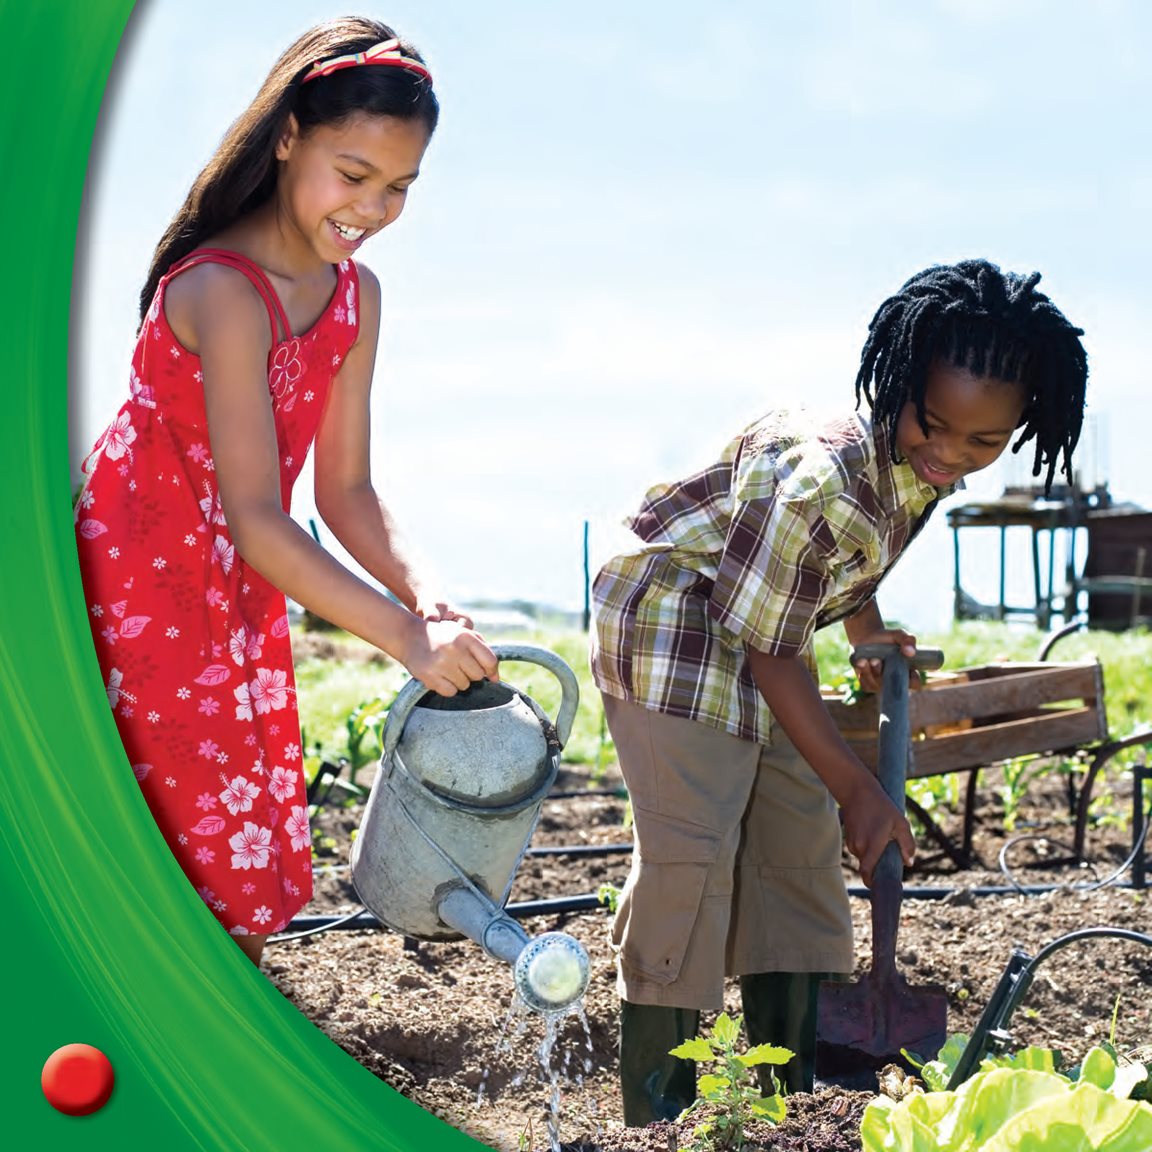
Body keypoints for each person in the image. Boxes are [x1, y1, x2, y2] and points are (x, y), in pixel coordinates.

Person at [590, 259, 1089, 1121]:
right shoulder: (823, 479)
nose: (949, 455)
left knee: (797, 843)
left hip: (765, 624)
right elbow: (774, 648)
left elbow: (838, 571)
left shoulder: (923, 469)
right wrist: (857, 785)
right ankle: (659, 1110)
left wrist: (862, 626)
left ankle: (785, 1095)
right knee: (694, 849)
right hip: (672, 622)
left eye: (982, 444)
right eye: (933, 427)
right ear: (896, 381)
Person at [74, 18, 498, 969]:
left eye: (399, 188)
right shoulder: (221, 290)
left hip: (233, 602)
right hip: (138, 596)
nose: (375, 207)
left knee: (219, 870)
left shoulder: (356, 297)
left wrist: (425, 594)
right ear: (287, 138)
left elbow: (347, 491)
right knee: (141, 858)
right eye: (354, 176)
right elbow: (259, 519)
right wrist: (400, 637)